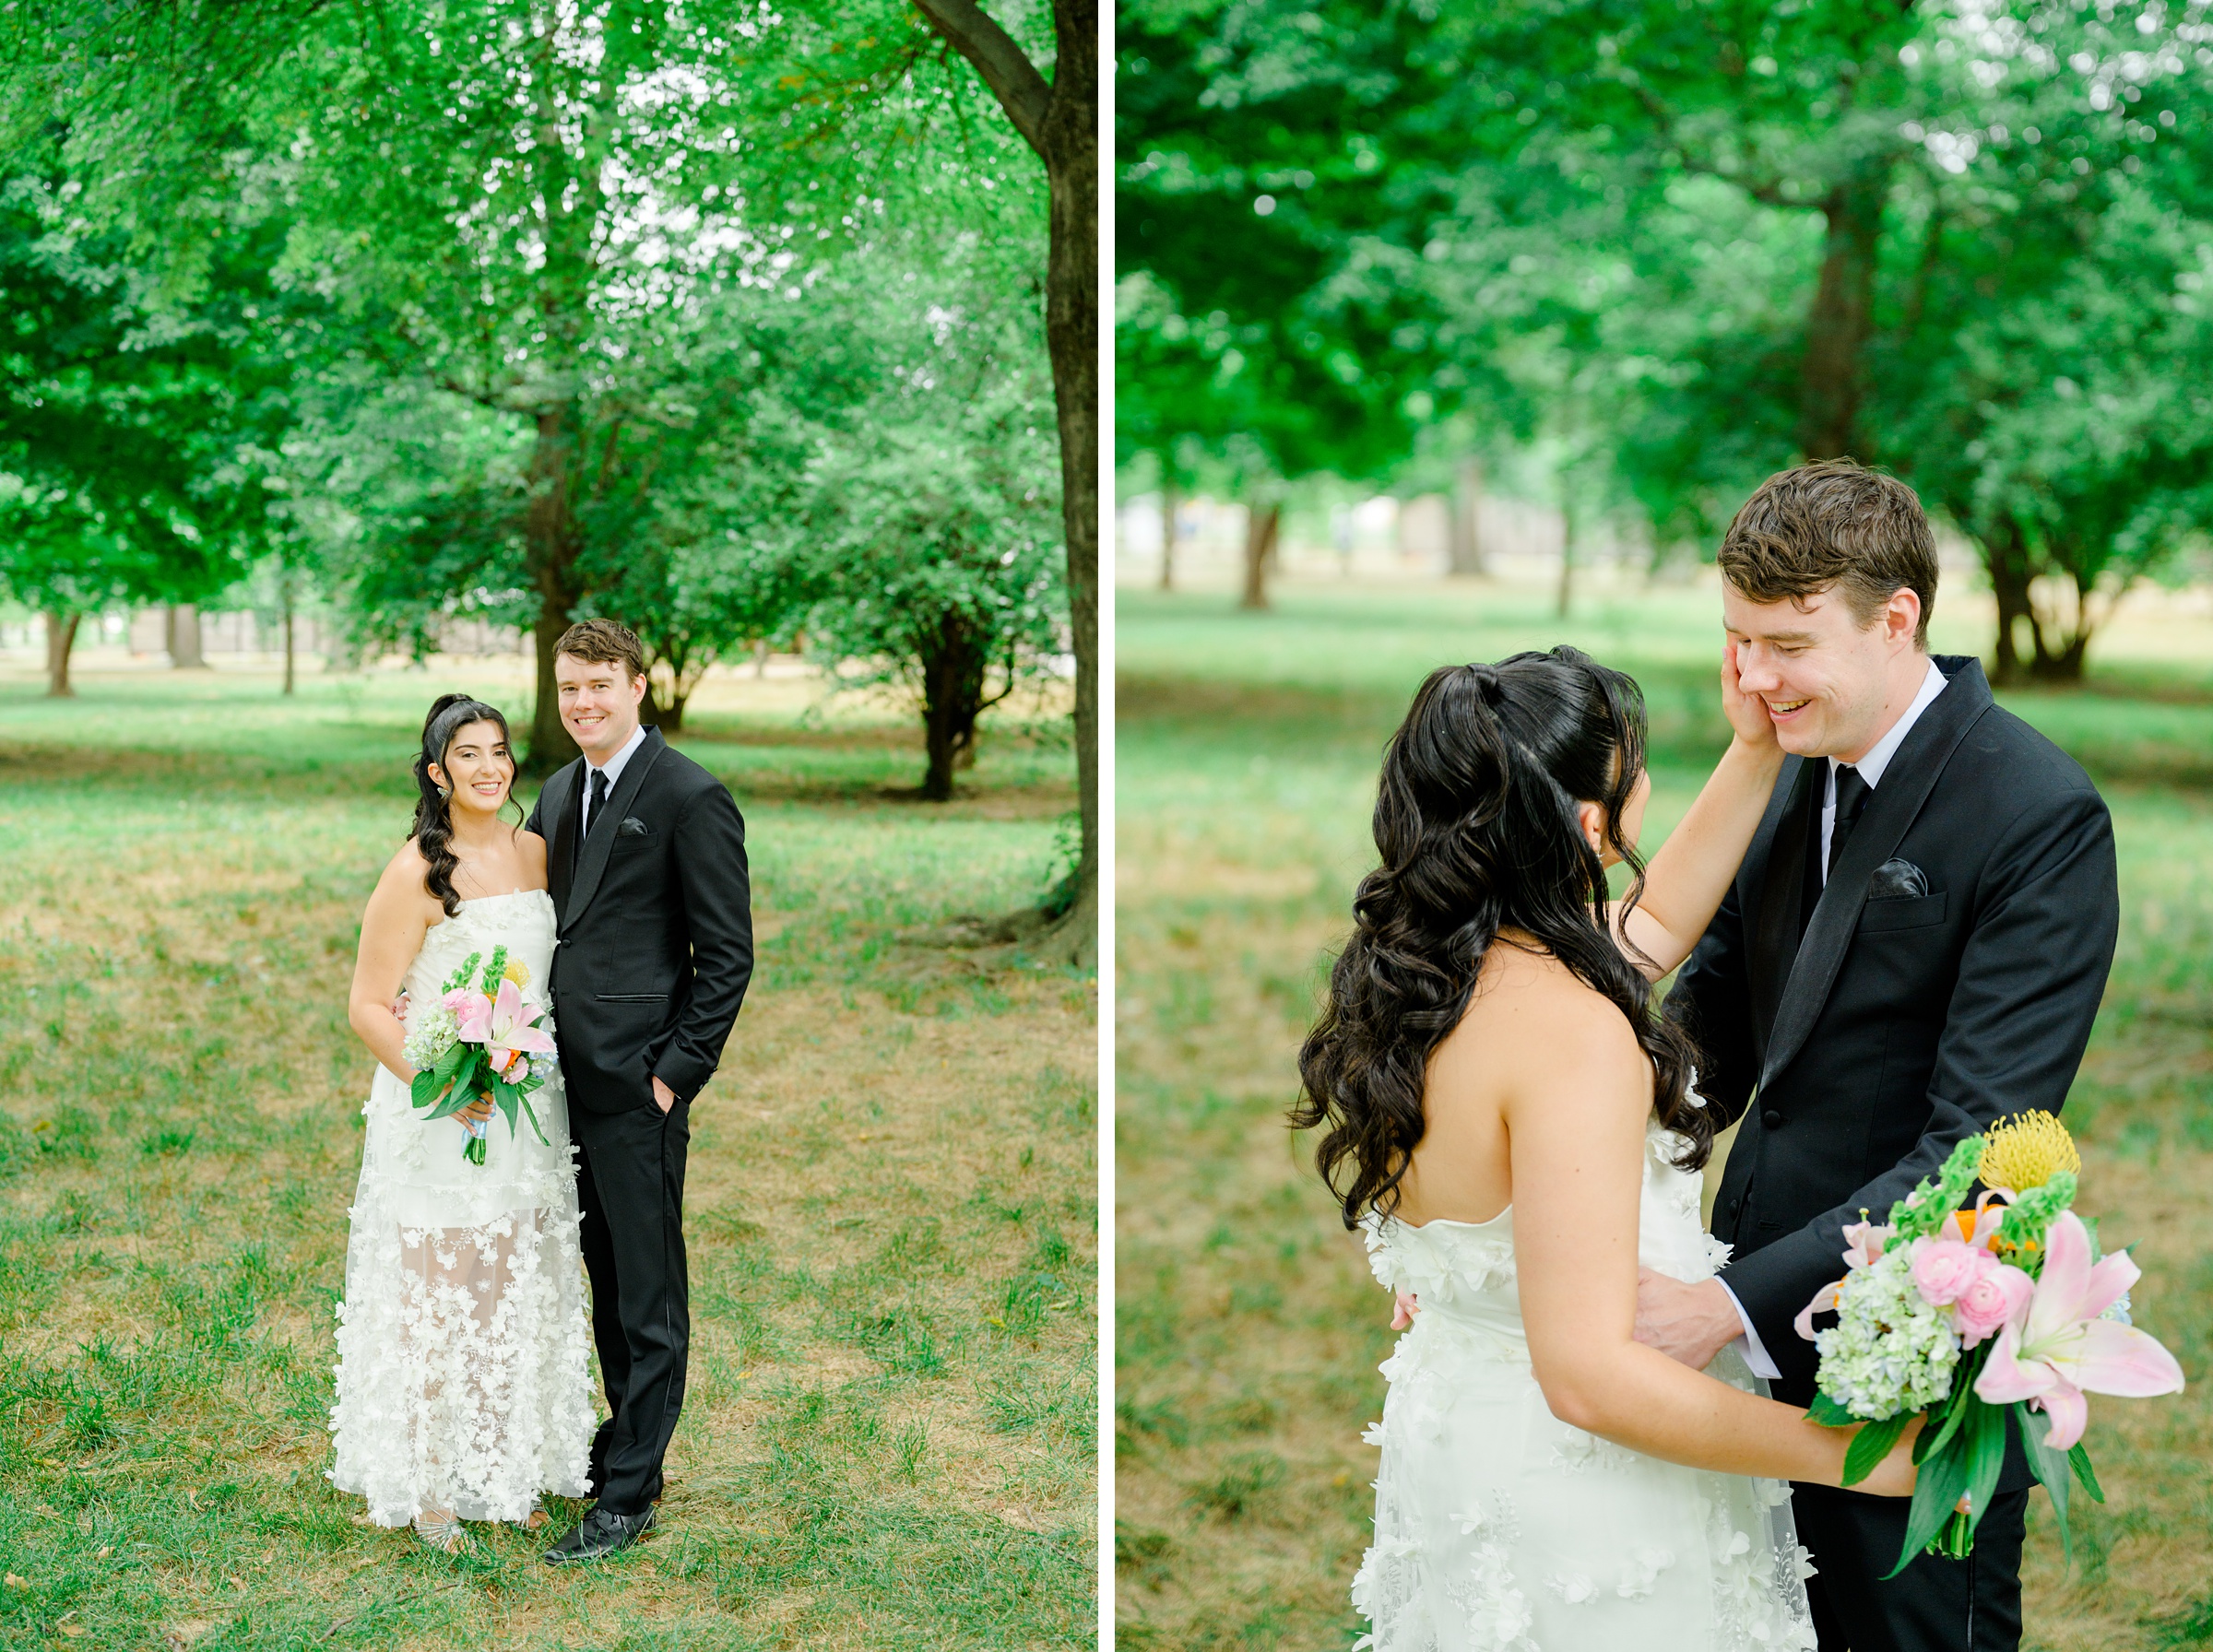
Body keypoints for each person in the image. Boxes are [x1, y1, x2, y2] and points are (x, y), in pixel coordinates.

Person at [1296, 643, 1922, 1652]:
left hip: (1468, 1450)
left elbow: (1661, 916)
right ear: (1591, 823)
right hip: (1590, 1502)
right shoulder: (1575, 1031)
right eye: (1635, 771)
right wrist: (1850, 1453)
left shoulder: (1432, 971)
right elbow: (1588, 1374)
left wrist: (1753, 749)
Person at [1642, 460, 2119, 1651]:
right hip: (1734, 1319)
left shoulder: (2038, 814)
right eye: (1736, 640)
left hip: (1901, 1345)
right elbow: (1708, 1033)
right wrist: (1524, 1213)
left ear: (1895, 619)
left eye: (1788, 644)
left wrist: (1721, 1309)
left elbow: (1981, 1150)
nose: (1752, 679)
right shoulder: (1783, 770)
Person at [330, 694, 594, 1552]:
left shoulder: (536, 853)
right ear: (439, 772)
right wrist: (440, 1083)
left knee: (512, 1283)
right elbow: (368, 1006)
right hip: (442, 1106)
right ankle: (433, 1480)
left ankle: (505, 1468)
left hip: (527, 1101)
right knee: (439, 1290)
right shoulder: (415, 869)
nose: (490, 768)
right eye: (468, 756)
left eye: (500, 751)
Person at [523, 619, 754, 1564]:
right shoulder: (557, 790)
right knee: (602, 1276)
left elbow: (727, 957)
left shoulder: (691, 796)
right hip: (554, 1084)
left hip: (638, 1089)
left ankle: (632, 1492)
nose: (584, 702)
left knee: (648, 1292)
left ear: (638, 686)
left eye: (601, 684)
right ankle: (622, 1445)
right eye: (570, 686)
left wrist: (673, 1075)